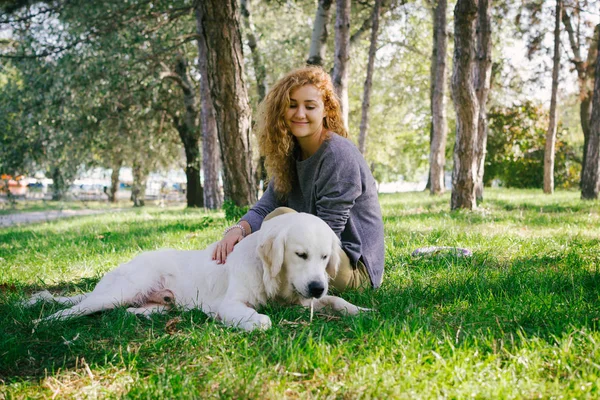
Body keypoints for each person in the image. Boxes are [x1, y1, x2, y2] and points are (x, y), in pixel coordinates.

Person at [212, 66, 384, 291]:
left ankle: (247, 292)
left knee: (282, 218)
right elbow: (265, 207)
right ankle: (223, 281)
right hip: (308, 259)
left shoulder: (338, 155)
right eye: (292, 105)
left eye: (310, 106)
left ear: (326, 110)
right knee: (276, 221)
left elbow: (326, 233)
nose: (300, 113)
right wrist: (239, 230)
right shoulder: (290, 153)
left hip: (347, 268)